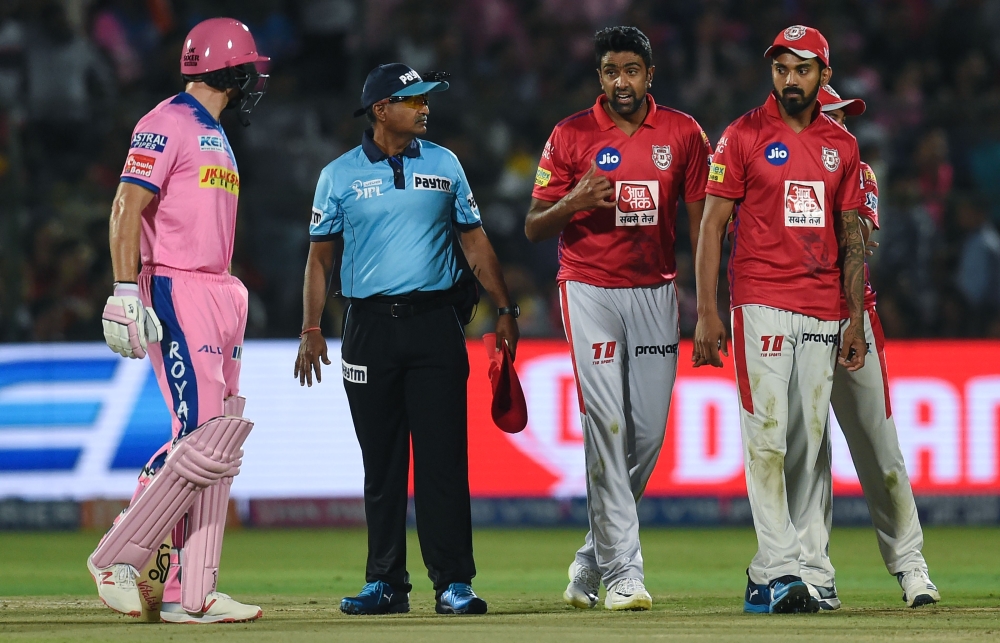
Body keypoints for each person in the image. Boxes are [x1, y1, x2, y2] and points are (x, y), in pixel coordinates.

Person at [294, 63, 519, 616]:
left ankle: (453, 584)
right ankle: (386, 583)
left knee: (444, 460)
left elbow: (474, 242)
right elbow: (320, 259)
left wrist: (505, 308)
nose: (424, 108)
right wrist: (311, 328)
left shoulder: (446, 164)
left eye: (426, 99)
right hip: (367, 329)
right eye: (413, 99)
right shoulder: (338, 176)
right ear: (379, 109)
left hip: (436, 325)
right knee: (383, 463)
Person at [86, 18, 268, 624]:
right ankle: (116, 559)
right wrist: (122, 288)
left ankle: (192, 593)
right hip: (176, 285)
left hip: (218, 289)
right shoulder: (165, 121)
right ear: (231, 69)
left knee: (218, 438)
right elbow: (127, 203)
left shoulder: (214, 133)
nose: (253, 79)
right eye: (249, 68)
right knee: (199, 437)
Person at [525, 26, 712, 611]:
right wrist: (573, 202)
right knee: (605, 425)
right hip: (589, 289)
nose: (621, 81)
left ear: (649, 74)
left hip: (657, 293)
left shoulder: (683, 133)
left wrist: (709, 309)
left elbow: (707, 225)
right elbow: (533, 224)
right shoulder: (571, 134)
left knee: (649, 434)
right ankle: (624, 574)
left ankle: (590, 559)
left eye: (632, 70)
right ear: (599, 77)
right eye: (611, 71)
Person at [692, 25, 867, 614]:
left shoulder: (841, 146)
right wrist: (709, 312)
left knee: (810, 442)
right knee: (765, 434)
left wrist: (854, 318)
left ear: (823, 75)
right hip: (759, 297)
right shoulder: (741, 135)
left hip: (822, 305)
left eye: (802, 69)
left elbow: (850, 236)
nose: (790, 80)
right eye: (781, 69)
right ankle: (786, 569)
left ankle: (801, 570)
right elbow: (712, 224)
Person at [805, 85, 939, 609]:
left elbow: (853, 239)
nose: (841, 127)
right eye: (832, 116)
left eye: (845, 119)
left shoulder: (859, 172)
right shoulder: (777, 166)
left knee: (881, 449)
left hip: (854, 318)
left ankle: (911, 567)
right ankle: (814, 573)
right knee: (806, 453)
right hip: (796, 319)